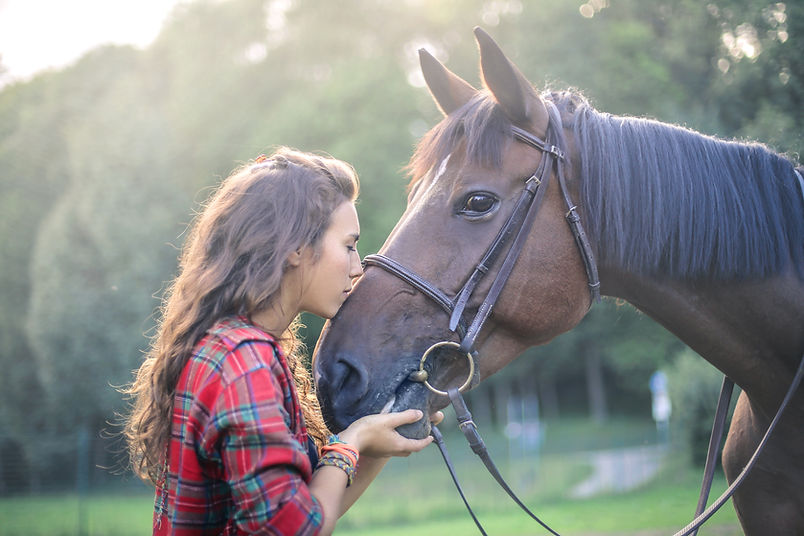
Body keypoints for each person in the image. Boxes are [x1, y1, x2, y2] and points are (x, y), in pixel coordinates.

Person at [122, 147, 441, 535]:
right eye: (349, 245)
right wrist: (352, 441)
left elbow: (309, 510)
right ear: (294, 247)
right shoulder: (244, 362)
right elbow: (295, 530)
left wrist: (377, 439)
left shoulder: (239, 350)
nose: (358, 268)